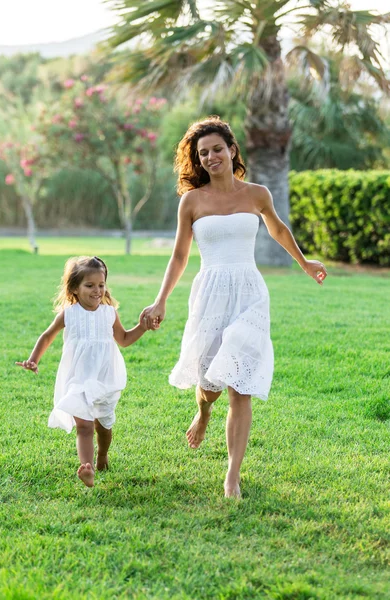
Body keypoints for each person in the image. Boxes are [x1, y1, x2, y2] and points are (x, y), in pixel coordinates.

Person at [141, 117, 327, 499]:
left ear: (232, 150)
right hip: (210, 291)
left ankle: (232, 476)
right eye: (203, 153)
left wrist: (304, 263)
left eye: (216, 149)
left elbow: (277, 229)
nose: (211, 157)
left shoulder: (257, 194)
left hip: (249, 292)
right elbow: (179, 256)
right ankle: (204, 411)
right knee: (209, 383)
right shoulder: (191, 201)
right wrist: (161, 299)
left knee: (239, 384)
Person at [16, 255, 155, 488]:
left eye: (101, 285)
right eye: (89, 285)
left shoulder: (109, 313)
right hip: (78, 378)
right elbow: (47, 336)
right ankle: (87, 467)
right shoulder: (69, 313)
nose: (97, 290)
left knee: (104, 425)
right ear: (75, 288)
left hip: (105, 378)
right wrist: (33, 359)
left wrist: (142, 326)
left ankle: (102, 455)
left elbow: (124, 339)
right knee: (84, 425)